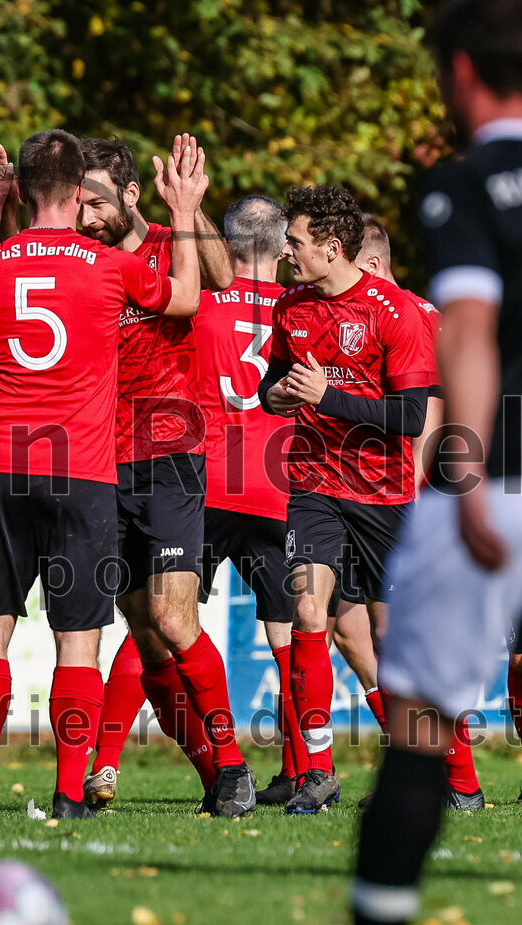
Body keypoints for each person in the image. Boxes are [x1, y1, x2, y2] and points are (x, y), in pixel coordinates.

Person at [0, 129, 201, 820]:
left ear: (25, 189)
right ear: (76, 192)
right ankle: (68, 792)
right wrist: (181, 209)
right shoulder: (105, 266)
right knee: (78, 638)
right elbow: (184, 298)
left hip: (1, 468)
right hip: (83, 472)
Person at [353, 1, 522, 920]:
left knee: (417, 724)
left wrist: (465, 476)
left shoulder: (462, 184)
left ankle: (379, 906)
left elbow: (468, 330)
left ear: (460, 72)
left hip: (502, 479)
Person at [74, 137, 260, 818]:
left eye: (94, 201)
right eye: (74, 204)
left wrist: (187, 207)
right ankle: (216, 774)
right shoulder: (84, 262)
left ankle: (234, 761)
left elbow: (219, 277)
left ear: (129, 194)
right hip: (100, 462)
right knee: (147, 640)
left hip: (172, 455)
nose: (85, 216)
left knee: (173, 617)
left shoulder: (167, 242)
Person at [258, 185, 438, 815]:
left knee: (394, 636)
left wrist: (323, 397)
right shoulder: (292, 307)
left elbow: (412, 416)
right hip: (312, 485)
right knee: (310, 608)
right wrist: (280, 397)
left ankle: (437, 770)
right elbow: (267, 388)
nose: (285, 253)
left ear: (333, 248)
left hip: (384, 495)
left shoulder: (395, 312)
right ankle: (317, 770)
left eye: (297, 242)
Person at [344, 216, 485, 810]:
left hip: (402, 497)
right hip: (350, 489)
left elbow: (428, 425)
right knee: (349, 630)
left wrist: (427, 506)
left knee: (390, 635)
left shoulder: (407, 314)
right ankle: (425, 761)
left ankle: (460, 778)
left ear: (371, 266)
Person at [191, 195, 309, 806]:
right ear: (286, 246)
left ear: (228, 247)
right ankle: (303, 770)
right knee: (289, 636)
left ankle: (102, 762)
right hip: (282, 484)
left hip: (206, 482)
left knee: (164, 622)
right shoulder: (303, 306)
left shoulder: (201, 298)